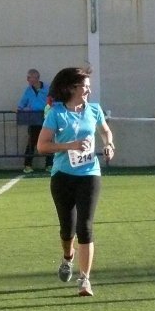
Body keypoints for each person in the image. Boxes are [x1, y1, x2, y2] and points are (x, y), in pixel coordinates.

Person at [36, 67, 115, 297]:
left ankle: (85, 279)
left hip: (89, 173)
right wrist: (68, 146)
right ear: (71, 88)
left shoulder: (94, 109)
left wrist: (109, 145)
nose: (88, 90)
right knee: (67, 228)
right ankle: (67, 257)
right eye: (84, 86)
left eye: (89, 86)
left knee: (85, 226)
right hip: (62, 176)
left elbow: (106, 132)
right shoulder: (56, 113)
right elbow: (42, 146)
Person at [17, 68, 53, 173]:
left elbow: (54, 101)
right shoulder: (28, 90)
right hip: (33, 118)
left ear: (37, 78)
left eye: (30, 78)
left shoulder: (47, 88)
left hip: (46, 118)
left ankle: (49, 165)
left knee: (48, 141)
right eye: (28, 78)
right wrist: (21, 109)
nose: (28, 80)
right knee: (31, 141)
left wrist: (51, 109)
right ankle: (27, 165)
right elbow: (22, 103)